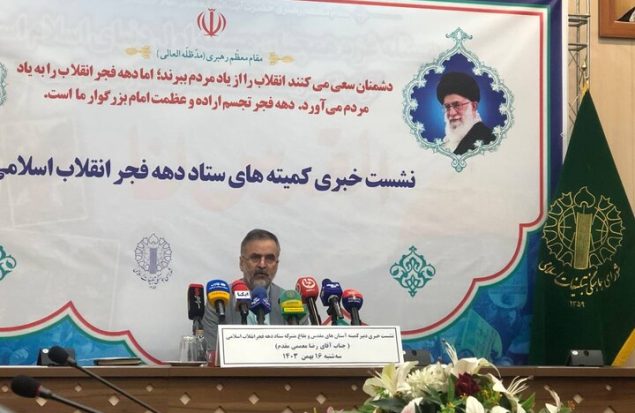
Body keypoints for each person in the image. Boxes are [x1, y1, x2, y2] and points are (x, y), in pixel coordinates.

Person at [202, 228, 307, 351]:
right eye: (255, 258)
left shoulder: (292, 302)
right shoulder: (219, 300)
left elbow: (302, 351)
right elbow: (211, 353)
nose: (262, 265)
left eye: (269, 259)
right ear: (241, 263)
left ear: (277, 264)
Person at [436, 71, 495, 155]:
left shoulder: (489, 140)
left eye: (457, 105)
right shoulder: (446, 144)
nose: (451, 113)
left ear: (474, 106)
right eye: (447, 107)